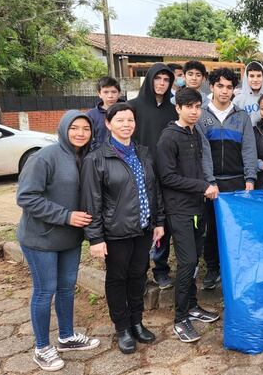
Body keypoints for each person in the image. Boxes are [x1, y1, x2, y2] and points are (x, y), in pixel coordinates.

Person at [16, 110, 100, 371]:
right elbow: (26, 197)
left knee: (66, 287)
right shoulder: (44, 157)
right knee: (45, 290)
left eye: (86, 128)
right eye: (74, 128)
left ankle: (66, 336)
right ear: (63, 129)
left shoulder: (86, 156)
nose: (80, 133)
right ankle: (42, 347)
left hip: (69, 238)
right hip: (40, 238)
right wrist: (66, 216)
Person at [81, 103, 164, 354]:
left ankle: (137, 322)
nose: (126, 125)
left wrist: (158, 222)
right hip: (115, 231)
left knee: (138, 275)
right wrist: (95, 238)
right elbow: (91, 201)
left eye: (130, 120)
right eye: (120, 120)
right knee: (117, 279)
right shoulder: (97, 158)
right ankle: (123, 328)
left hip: (143, 228)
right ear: (108, 124)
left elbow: (154, 189)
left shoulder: (143, 152)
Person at [156, 88, 221, 343]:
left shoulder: (194, 133)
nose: (194, 111)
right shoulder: (169, 137)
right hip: (179, 210)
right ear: (178, 108)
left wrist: (205, 186)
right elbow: (167, 177)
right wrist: (202, 186)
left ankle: (192, 306)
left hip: (197, 207)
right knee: (187, 262)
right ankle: (180, 319)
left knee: (194, 261)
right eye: (189, 107)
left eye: (197, 107)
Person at [198, 68, 257, 290]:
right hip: (211, 183)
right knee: (211, 229)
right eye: (220, 86)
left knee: (236, 228)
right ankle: (212, 269)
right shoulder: (201, 115)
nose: (224, 91)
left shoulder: (241, 116)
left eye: (229, 87)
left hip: (236, 181)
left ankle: (234, 269)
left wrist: (250, 178)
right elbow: (200, 152)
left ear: (234, 90)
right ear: (212, 87)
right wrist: (208, 181)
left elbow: (249, 149)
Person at [128, 63, 177, 153]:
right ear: (149, 80)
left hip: (166, 160)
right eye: (157, 78)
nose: (162, 83)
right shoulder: (131, 106)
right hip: (138, 158)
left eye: (166, 80)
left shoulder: (174, 110)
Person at [87, 76, 124, 150]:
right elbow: (88, 139)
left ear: (119, 93)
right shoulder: (91, 115)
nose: (110, 96)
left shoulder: (128, 112)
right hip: (100, 154)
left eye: (114, 92)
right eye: (106, 92)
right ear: (99, 94)